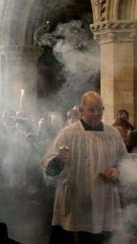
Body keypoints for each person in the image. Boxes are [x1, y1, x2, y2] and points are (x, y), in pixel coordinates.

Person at [42, 91, 129, 244]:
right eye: (91, 110)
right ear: (81, 111)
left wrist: (116, 172)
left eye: (99, 110)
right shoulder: (68, 134)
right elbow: (49, 171)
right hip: (75, 207)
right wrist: (60, 161)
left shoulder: (113, 134)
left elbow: (125, 164)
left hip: (104, 205)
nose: (96, 114)